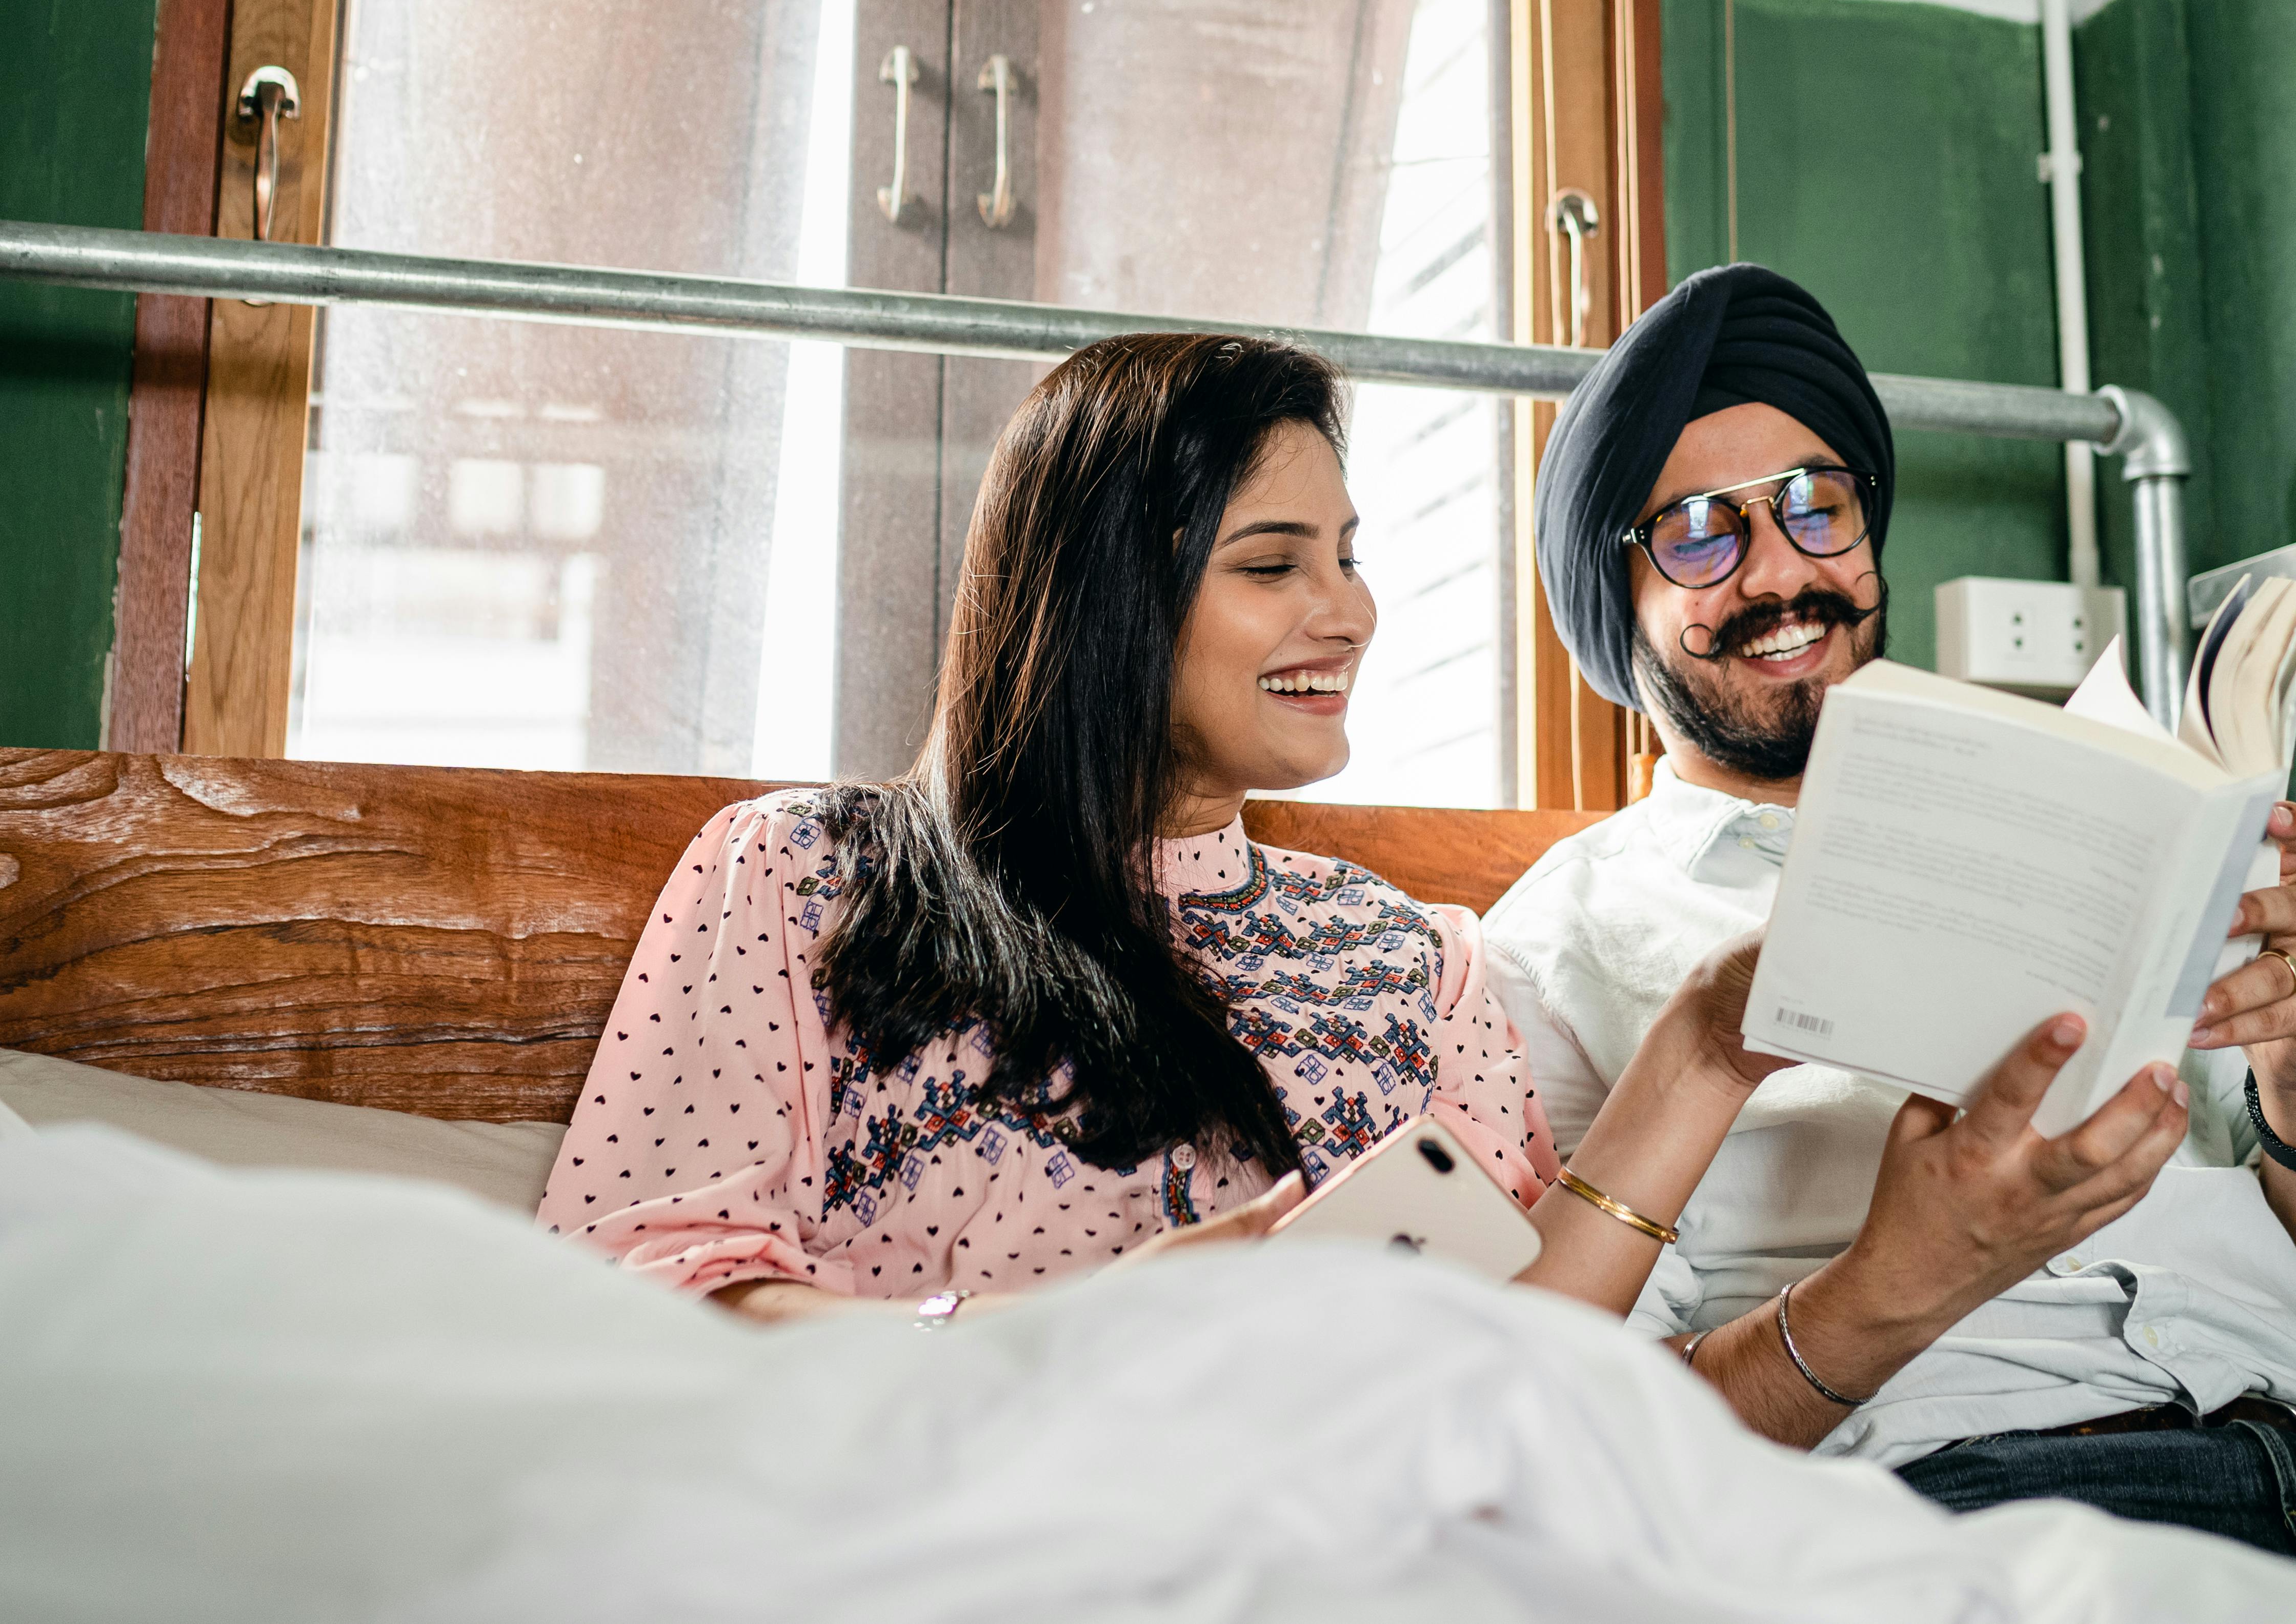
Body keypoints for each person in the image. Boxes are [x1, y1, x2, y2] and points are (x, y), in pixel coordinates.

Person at [1481, 264, 2296, 1594]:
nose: (1781, 571)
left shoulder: (2097, 809)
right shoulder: (1553, 944)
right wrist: (1892, 1276)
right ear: (1609, 596)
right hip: (1967, 1504)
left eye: (1814, 506)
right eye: (1696, 532)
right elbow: (1588, 1424)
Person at [542, 332, 1781, 1330]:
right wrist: (1033, 1352)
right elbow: (645, 1275)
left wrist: (1708, 1048)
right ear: (1103, 600)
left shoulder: (1413, 960)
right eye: (1270, 565)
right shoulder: (803, 876)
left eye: (1346, 558)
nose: (1347, 612)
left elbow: (1527, 1342)